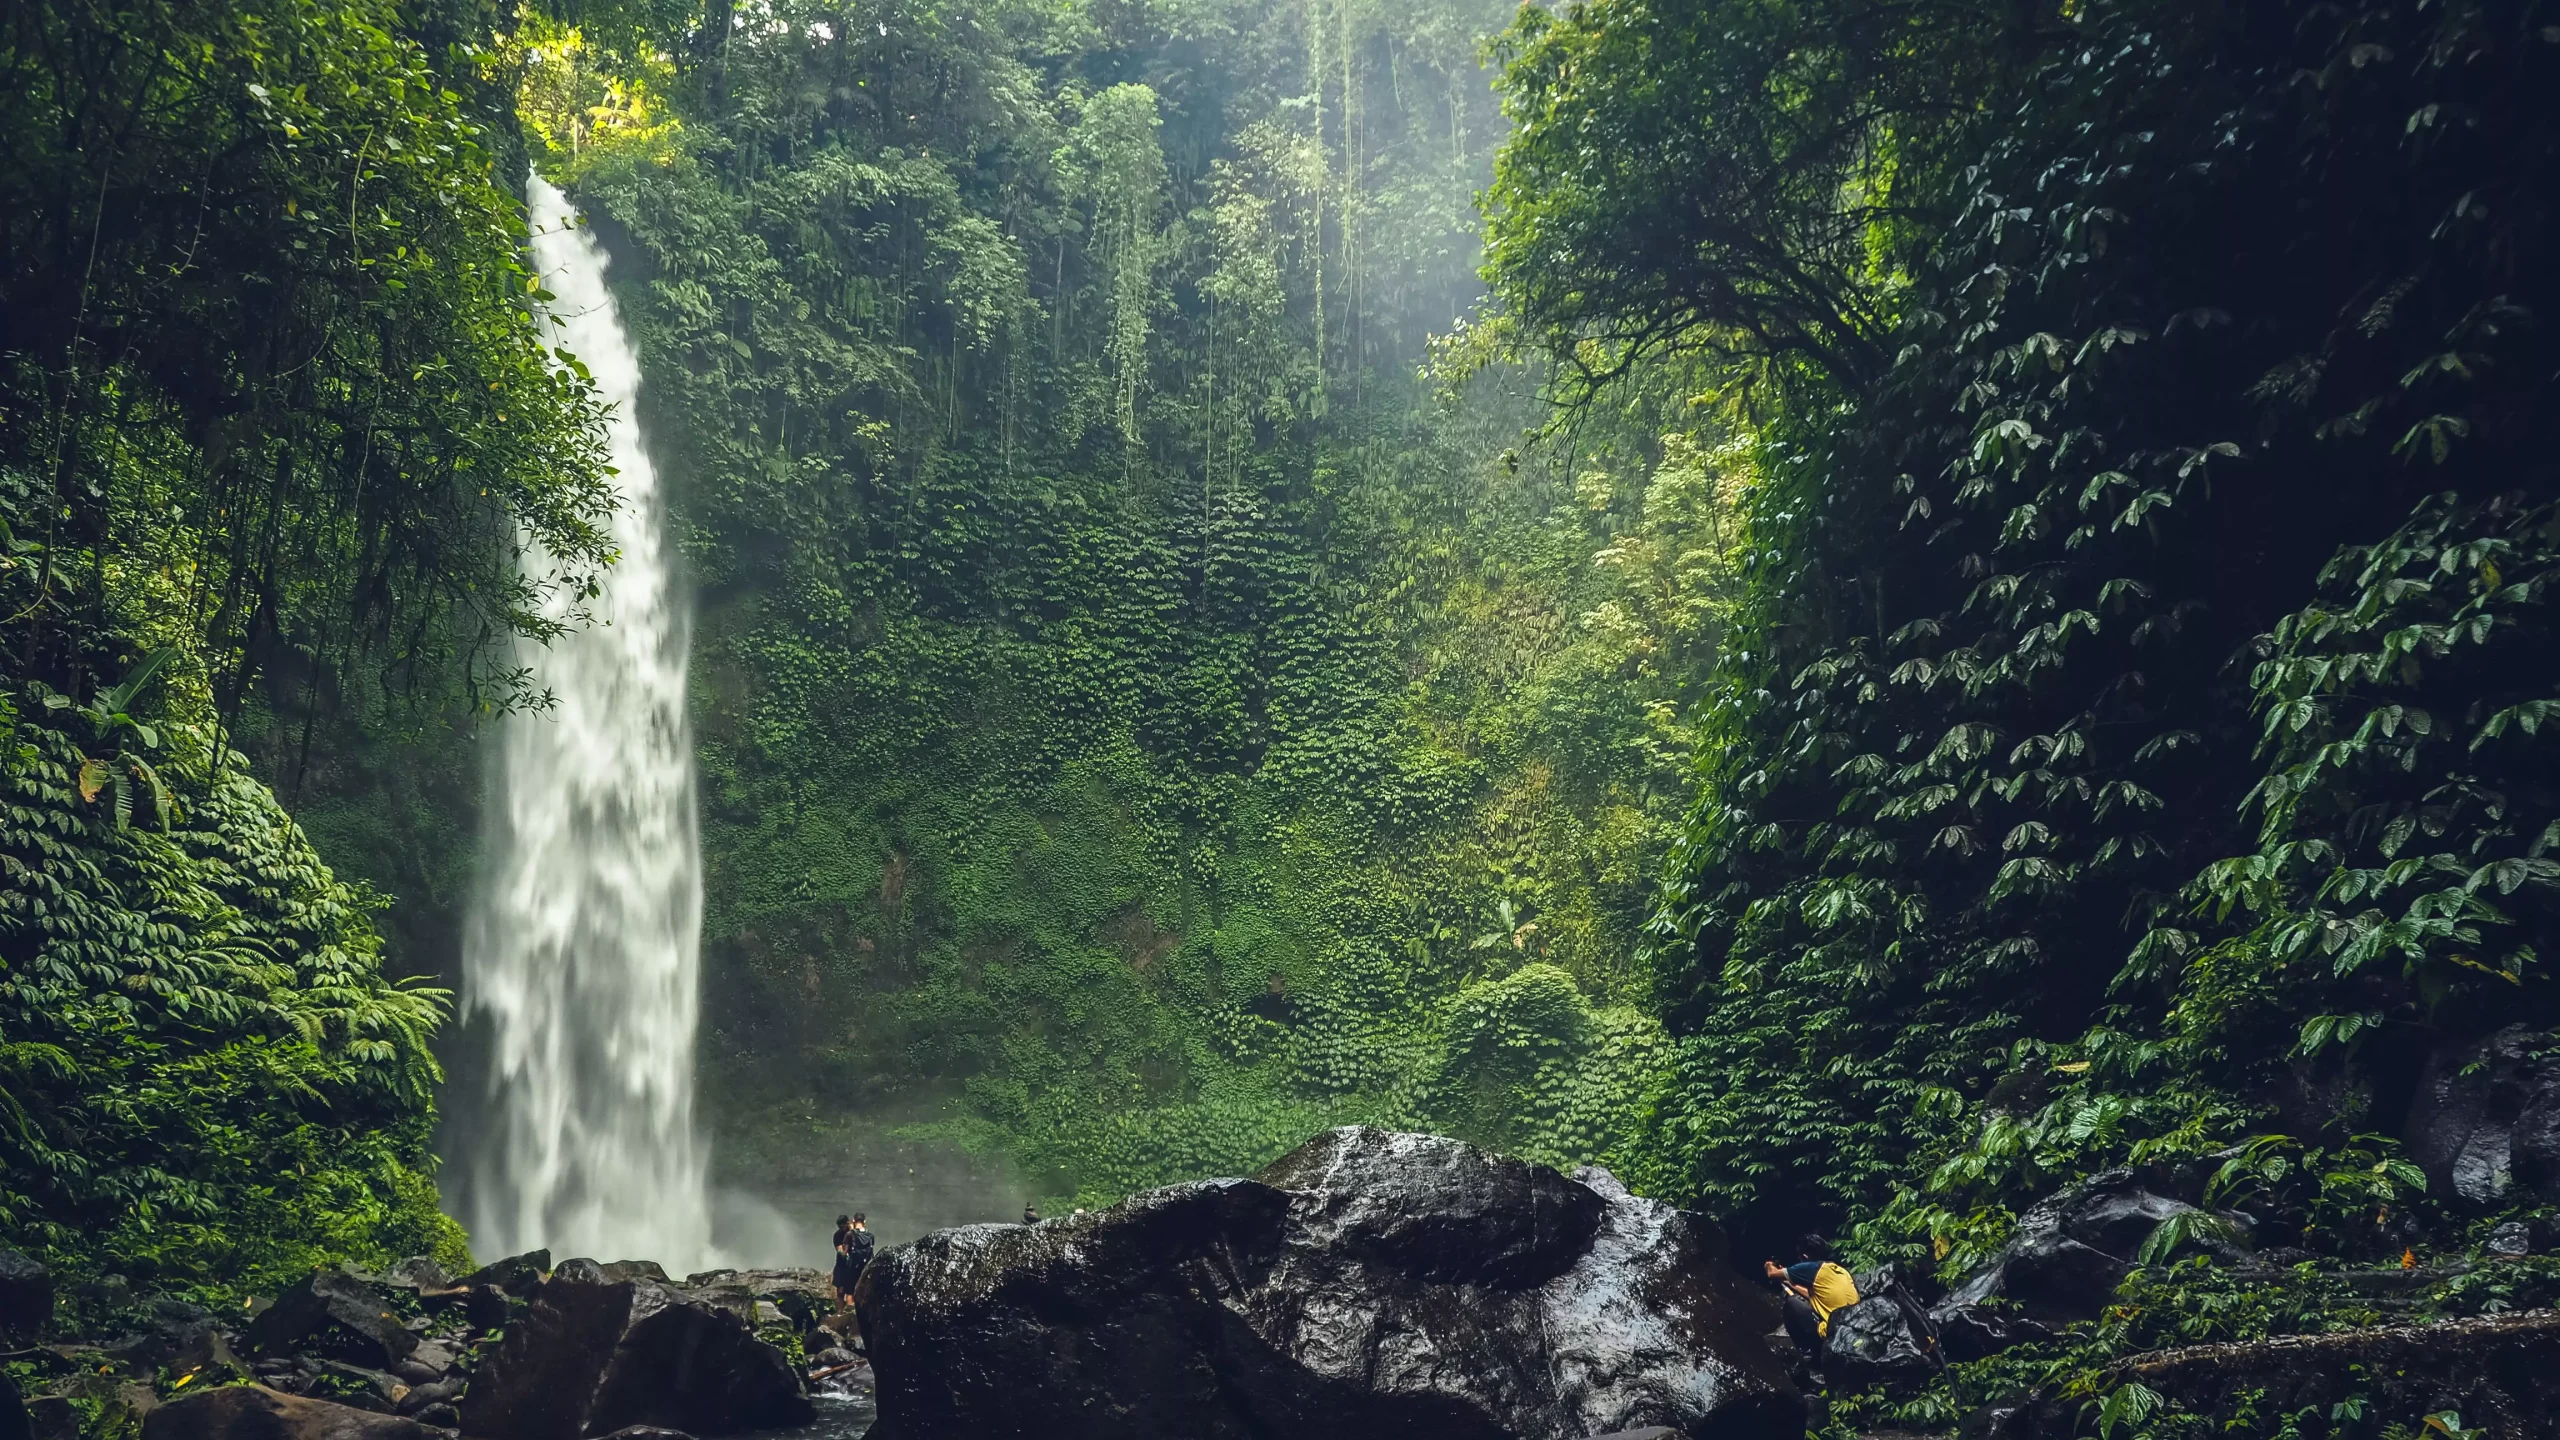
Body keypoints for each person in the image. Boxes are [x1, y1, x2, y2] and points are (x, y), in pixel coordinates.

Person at [1764, 1234, 1860, 1366]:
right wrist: (1787, 1280)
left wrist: (1769, 1264)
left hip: (1833, 1332)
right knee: (1801, 1302)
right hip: (1854, 1327)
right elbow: (1815, 1297)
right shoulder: (1838, 1270)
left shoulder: (1810, 1268)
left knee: (1791, 1303)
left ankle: (1808, 1355)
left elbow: (1772, 1274)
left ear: (1805, 1256)